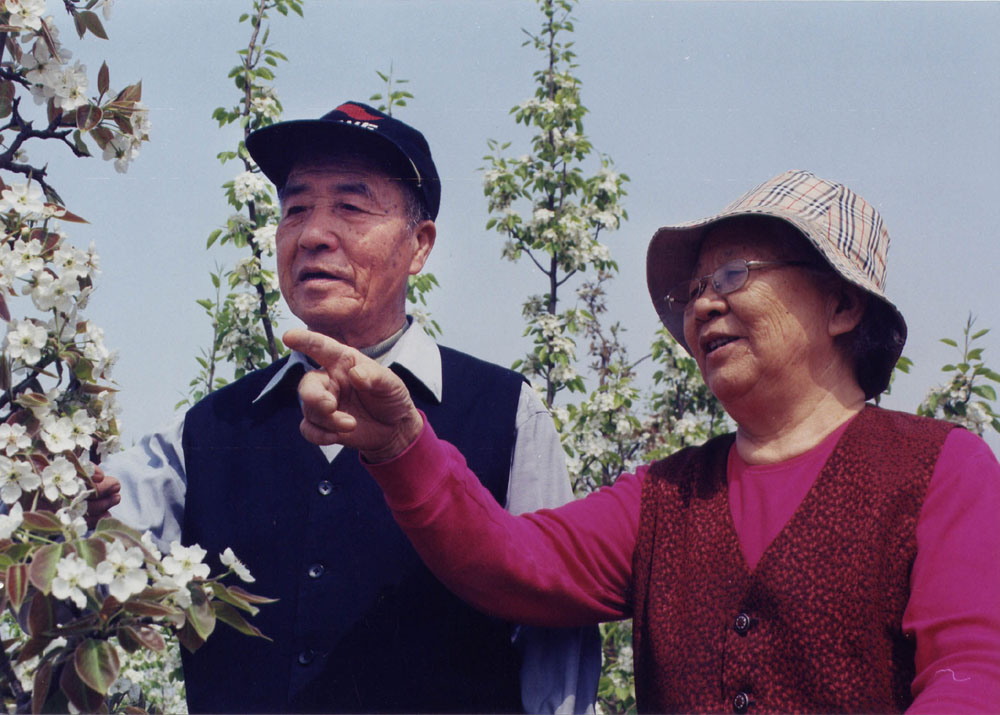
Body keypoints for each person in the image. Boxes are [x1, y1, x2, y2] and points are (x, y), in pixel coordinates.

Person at [285, 169, 1000, 713]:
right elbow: (509, 559)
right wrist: (403, 445)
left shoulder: (940, 467)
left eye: (732, 274)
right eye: (693, 291)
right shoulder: (666, 496)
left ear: (842, 303)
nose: (703, 304)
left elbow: (971, 672)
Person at [91, 102, 600, 714]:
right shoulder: (209, 429)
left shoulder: (505, 412)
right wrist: (63, 502)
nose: (311, 234)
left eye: (351, 207)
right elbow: (86, 553)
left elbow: (554, 626)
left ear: (420, 245)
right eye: (295, 209)